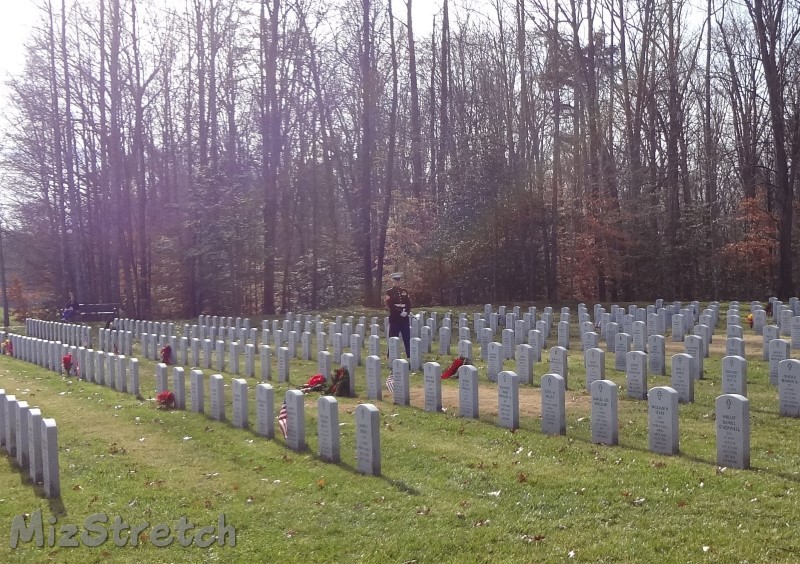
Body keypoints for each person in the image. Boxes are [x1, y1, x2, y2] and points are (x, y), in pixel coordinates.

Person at [385, 272, 411, 358]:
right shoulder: (389, 292)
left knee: (406, 337)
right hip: (395, 317)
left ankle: (409, 354)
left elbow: (408, 303)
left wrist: (406, 312)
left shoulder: (404, 292)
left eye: (399, 280)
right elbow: (390, 305)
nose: (398, 282)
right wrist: (400, 313)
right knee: (393, 336)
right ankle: (391, 354)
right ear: (393, 281)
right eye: (396, 281)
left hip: (404, 318)